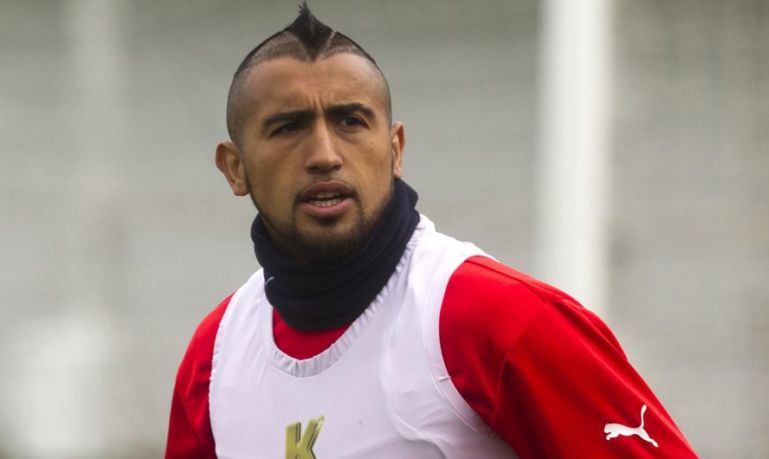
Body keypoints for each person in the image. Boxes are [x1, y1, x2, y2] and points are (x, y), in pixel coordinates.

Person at [166, 4, 697, 458]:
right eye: (288, 127)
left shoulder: (499, 319)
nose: (325, 155)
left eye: (351, 121)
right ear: (234, 168)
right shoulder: (214, 360)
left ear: (395, 149)